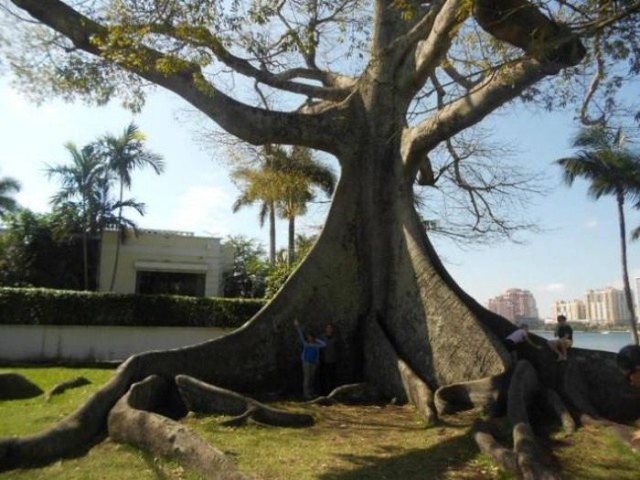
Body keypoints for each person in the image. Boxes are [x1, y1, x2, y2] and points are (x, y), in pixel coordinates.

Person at [294, 319, 326, 399]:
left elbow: (324, 344)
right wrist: (297, 326)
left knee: (312, 378)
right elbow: (300, 334)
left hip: (314, 363)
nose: (309, 338)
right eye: (308, 337)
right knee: (307, 378)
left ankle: (311, 393)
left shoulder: (316, 345)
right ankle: (306, 394)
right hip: (306, 362)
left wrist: (316, 340)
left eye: (311, 337)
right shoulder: (306, 344)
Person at [319, 322, 341, 395]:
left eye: (330, 328)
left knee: (332, 377)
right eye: (328, 328)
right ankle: (323, 392)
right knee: (323, 377)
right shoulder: (322, 337)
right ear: (325, 329)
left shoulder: (336, 338)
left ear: (333, 329)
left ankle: (332, 392)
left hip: (333, 360)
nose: (329, 329)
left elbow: (338, 348)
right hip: (324, 360)